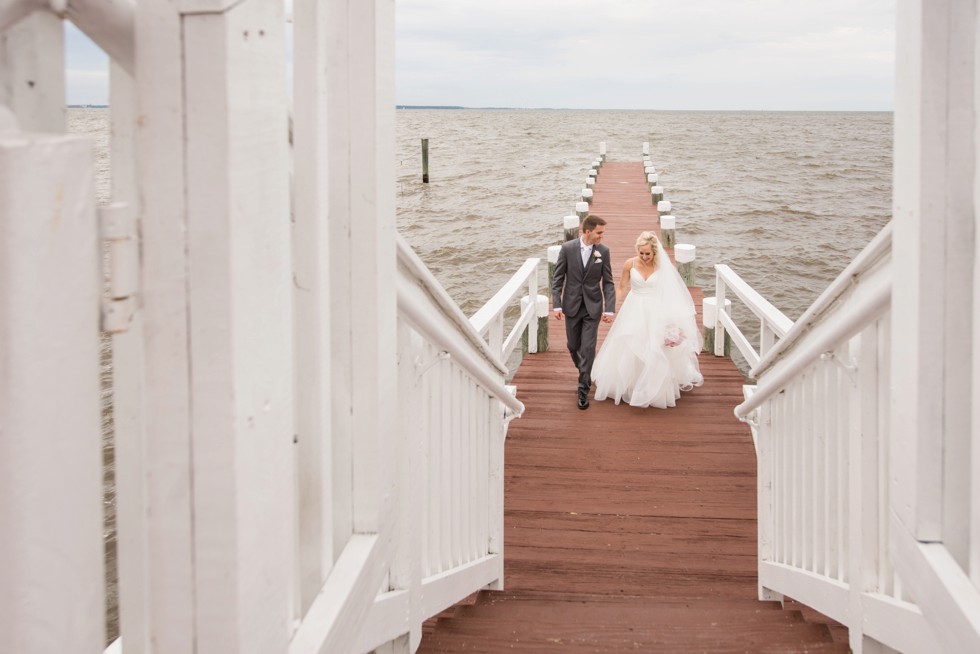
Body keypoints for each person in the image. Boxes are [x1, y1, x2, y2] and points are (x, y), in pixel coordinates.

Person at [592, 231, 703, 408]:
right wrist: (610, 309)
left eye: (647, 254)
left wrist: (672, 323)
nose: (644, 257)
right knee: (630, 343)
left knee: (654, 347)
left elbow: (671, 295)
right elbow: (621, 288)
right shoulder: (630, 264)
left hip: (655, 310)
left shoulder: (663, 268)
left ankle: (654, 386)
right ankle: (630, 383)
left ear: (655, 252)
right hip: (633, 307)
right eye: (641, 252)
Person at [552, 214, 616, 410]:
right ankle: (585, 370)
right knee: (573, 346)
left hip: (592, 307)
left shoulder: (603, 252)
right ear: (588, 231)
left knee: (588, 348)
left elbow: (608, 282)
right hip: (571, 305)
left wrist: (610, 309)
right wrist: (557, 304)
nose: (601, 236)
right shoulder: (567, 249)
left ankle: (583, 389)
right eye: (599, 232)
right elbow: (557, 279)